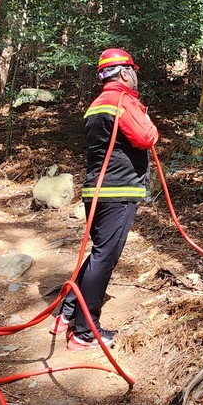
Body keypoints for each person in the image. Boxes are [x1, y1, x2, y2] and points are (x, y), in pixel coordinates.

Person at [52, 48, 158, 350]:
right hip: (117, 192)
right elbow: (146, 137)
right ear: (124, 72)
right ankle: (85, 332)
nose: (135, 76)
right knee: (105, 258)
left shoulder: (98, 103)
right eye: (133, 71)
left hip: (96, 190)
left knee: (98, 253)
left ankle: (67, 313)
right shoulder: (122, 102)